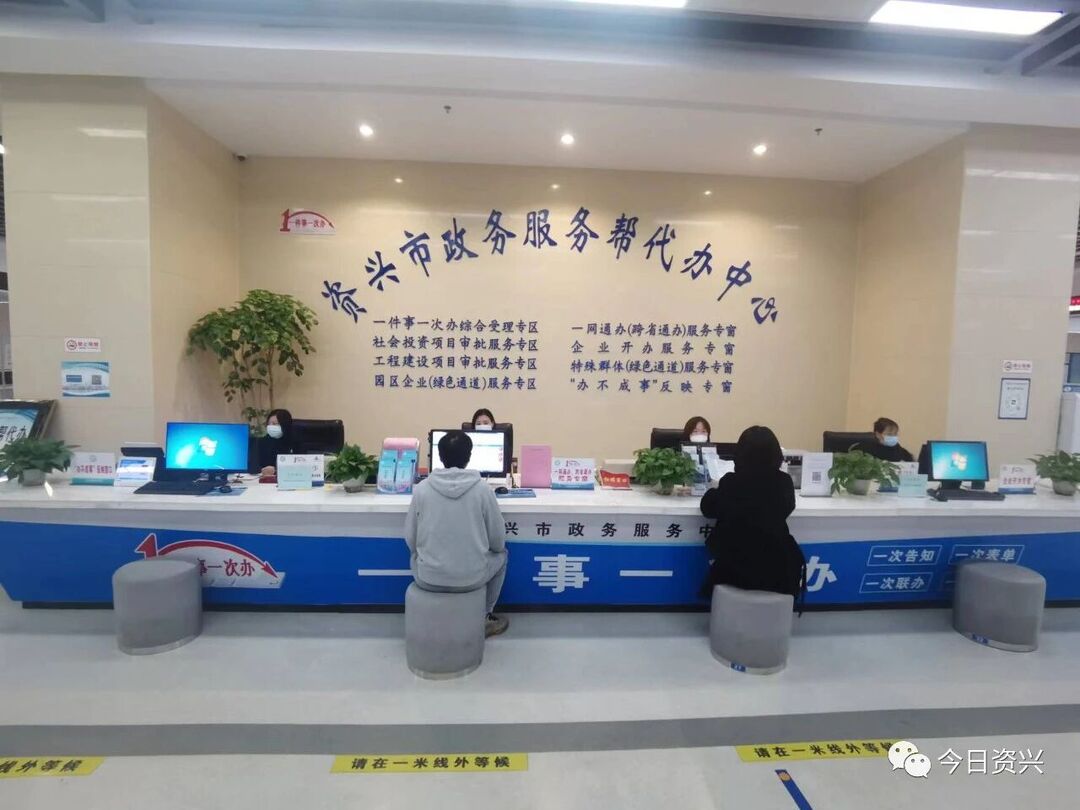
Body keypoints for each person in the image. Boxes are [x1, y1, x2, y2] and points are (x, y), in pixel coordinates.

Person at [405, 430, 509, 637]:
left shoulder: (422, 490)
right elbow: (498, 542)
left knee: (416, 556)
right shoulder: (483, 490)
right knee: (503, 556)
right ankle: (484, 617)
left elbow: (411, 539)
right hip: (472, 578)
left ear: (439, 456)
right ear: (469, 456)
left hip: (428, 577)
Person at [699, 425, 806, 606]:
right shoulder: (784, 483)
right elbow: (786, 507)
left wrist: (715, 490)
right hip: (779, 571)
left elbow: (708, 508)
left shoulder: (732, 483)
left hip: (734, 569)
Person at [250, 409, 295, 476]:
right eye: (269, 424)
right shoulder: (261, 442)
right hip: (264, 479)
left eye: (274, 424)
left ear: (284, 425)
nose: (270, 426)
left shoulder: (295, 443)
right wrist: (262, 470)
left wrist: (276, 470)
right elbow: (253, 468)